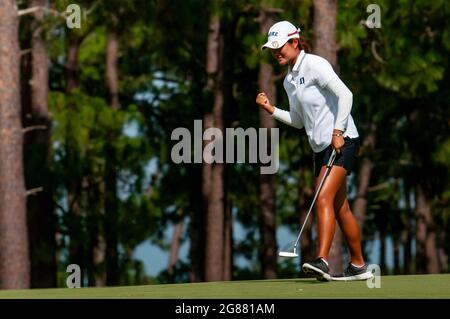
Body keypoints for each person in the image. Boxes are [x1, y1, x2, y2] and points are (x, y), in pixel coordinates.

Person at [256, 20, 372, 281]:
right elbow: (298, 121)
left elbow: (346, 95)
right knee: (341, 208)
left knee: (322, 198)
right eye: (272, 48)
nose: (276, 52)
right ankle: (358, 265)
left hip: (343, 142)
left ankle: (322, 260)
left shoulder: (316, 65)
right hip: (320, 148)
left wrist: (338, 132)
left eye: (279, 46)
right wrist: (271, 110)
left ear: (294, 42)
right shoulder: (289, 81)